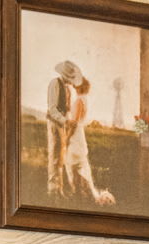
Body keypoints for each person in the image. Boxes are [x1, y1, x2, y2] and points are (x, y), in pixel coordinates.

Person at [43, 60, 114, 206]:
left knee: (61, 158)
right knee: (55, 157)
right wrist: (65, 121)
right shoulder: (55, 84)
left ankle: (59, 190)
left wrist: (67, 122)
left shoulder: (67, 89)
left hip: (64, 125)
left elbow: (68, 111)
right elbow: (52, 109)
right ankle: (53, 191)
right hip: (56, 124)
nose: (72, 83)